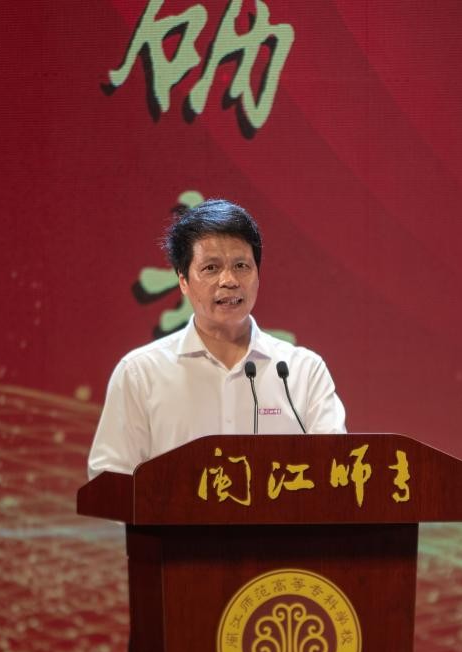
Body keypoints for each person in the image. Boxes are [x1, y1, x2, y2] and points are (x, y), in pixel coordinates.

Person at [87, 198, 346, 478]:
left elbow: (337, 472)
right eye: (211, 268)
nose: (229, 280)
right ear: (183, 281)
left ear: (258, 275)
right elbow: (109, 480)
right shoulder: (141, 373)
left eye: (241, 266)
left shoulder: (303, 372)